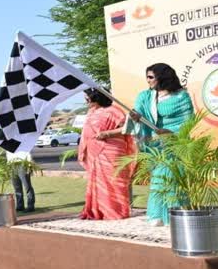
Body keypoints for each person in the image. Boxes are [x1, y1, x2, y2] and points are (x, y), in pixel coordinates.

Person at [126, 63, 194, 226]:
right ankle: (159, 215)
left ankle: (173, 214)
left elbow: (188, 122)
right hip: (154, 146)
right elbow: (137, 119)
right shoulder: (145, 96)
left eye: (150, 77)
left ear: (162, 77)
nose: (148, 80)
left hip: (175, 143)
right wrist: (135, 118)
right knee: (159, 177)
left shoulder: (181, 97)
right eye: (147, 77)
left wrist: (170, 133)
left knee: (171, 177)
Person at [77, 88, 136, 220]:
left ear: (96, 96)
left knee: (114, 181)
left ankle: (116, 211)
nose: (85, 100)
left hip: (112, 151)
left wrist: (107, 133)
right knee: (98, 182)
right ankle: (99, 211)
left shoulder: (114, 111)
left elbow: (128, 128)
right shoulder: (92, 112)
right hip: (94, 153)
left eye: (87, 97)